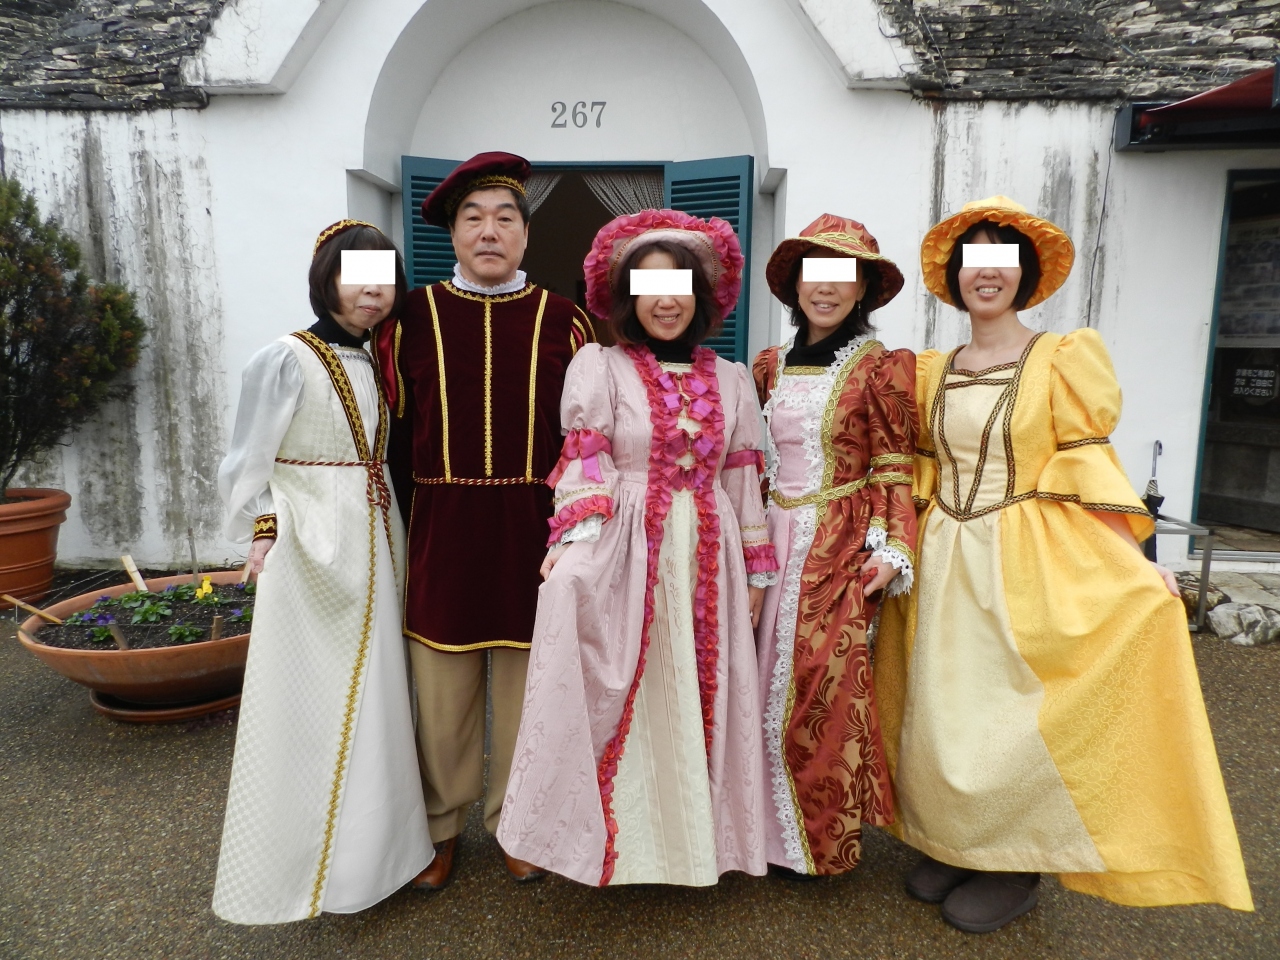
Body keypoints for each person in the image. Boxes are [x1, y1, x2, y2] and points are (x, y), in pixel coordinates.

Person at [875, 196, 1253, 933]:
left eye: (1003, 260)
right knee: (945, 708)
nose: (988, 274)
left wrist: (1134, 560)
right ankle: (961, 841)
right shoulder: (930, 370)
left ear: (1025, 274)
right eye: (973, 261)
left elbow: (1087, 464)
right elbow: (919, 466)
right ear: (953, 276)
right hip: (944, 552)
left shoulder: (1062, 358)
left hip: (1026, 558)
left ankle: (1018, 863)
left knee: (1017, 712)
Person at [496, 209, 778, 886]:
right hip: (627, 546)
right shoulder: (600, 368)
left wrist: (759, 568)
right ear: (627, 297)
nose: (666, 298)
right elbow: (585, 463)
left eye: (678, 282)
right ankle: (587, 842)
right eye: (650, 285)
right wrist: (573, 541)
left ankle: (690, 848)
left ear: (701, 294)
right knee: (625, 686)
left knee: (693, 691)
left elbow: (741, 479)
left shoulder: (735, 378)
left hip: (708, 555)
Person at [372, 152, 596, 889]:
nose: (490, 231)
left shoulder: (569, 322)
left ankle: (519, 821)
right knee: (440, 699)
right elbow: (384, 436)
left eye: (505, 218)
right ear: (453, 235)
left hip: (537, 532)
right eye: (474, 218)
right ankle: (439, 827)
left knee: (535, 690)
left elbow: (591, 440)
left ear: (526, 237)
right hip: (442, 524)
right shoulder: (408, 318)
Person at [212, 220, 431, 924]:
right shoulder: (283, 358)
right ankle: (304, 870)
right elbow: (249, 463)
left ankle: (382, 859)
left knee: (379, 698)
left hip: (375, 535)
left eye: (385, 276)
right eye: (356, 274)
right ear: (326, 278)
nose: (373, 290)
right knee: (305, 704)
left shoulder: (379, 363)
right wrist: (265, 527)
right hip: (311, 547)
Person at [752, 214, 916, 879]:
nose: (824, 290)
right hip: (768, 538)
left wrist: (894, 547)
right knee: (754, 684)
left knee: (825, 692)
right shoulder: (768, 364)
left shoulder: (882, 369)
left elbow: (894, 466)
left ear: (862, 290)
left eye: (840, 277)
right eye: (812, 276)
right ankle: (752, 831)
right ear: (794, 287)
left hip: (837, 543)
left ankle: (813, 845)